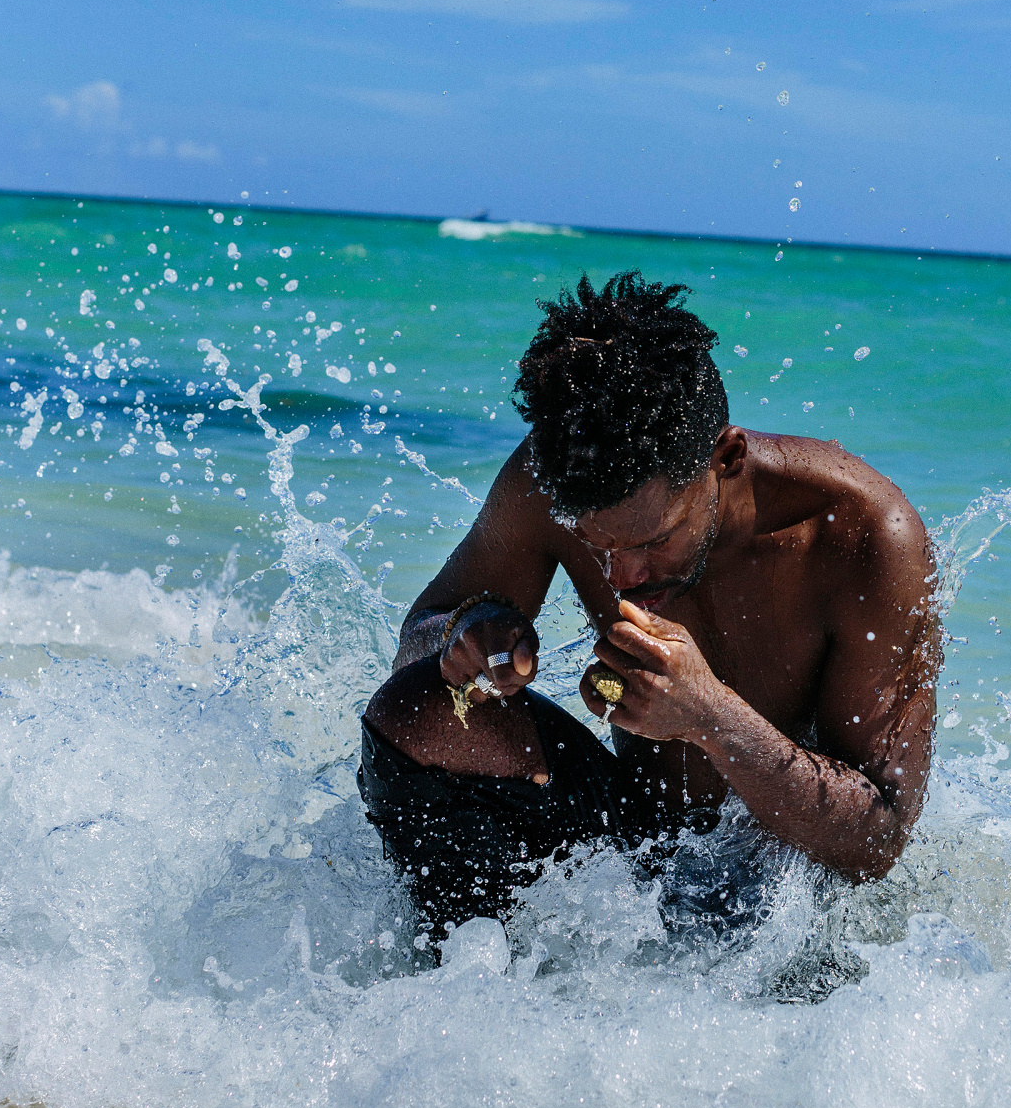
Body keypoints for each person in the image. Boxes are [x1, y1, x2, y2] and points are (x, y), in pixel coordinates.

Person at [359, 270, 940, 943]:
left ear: (725, 457)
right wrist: (466, 637)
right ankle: (461, 991)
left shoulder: (864, 534)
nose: (619, 575)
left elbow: (877, 842)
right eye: (592, 542)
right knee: (419, 707)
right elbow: (420, 633)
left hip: (780, 886)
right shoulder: (550, 479)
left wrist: (712, 717)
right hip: (631, 832)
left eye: (653, 540)